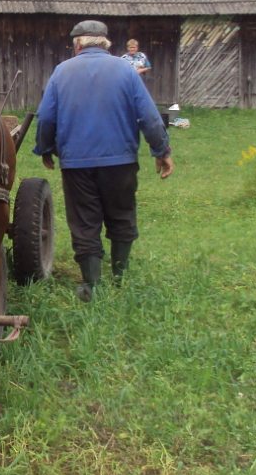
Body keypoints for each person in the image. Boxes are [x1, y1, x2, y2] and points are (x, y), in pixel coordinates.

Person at [32, 20, 174, 302]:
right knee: (122, 215)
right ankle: (120, 279)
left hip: (77, 164)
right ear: (106, 44)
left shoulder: (62, 72)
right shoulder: (126, 71)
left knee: (85, 222)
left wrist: (45, 148)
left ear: (76, 45)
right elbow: (149, 116)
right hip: (120, 161)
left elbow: (46, 117)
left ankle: (91, 286)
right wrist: (162, 151)